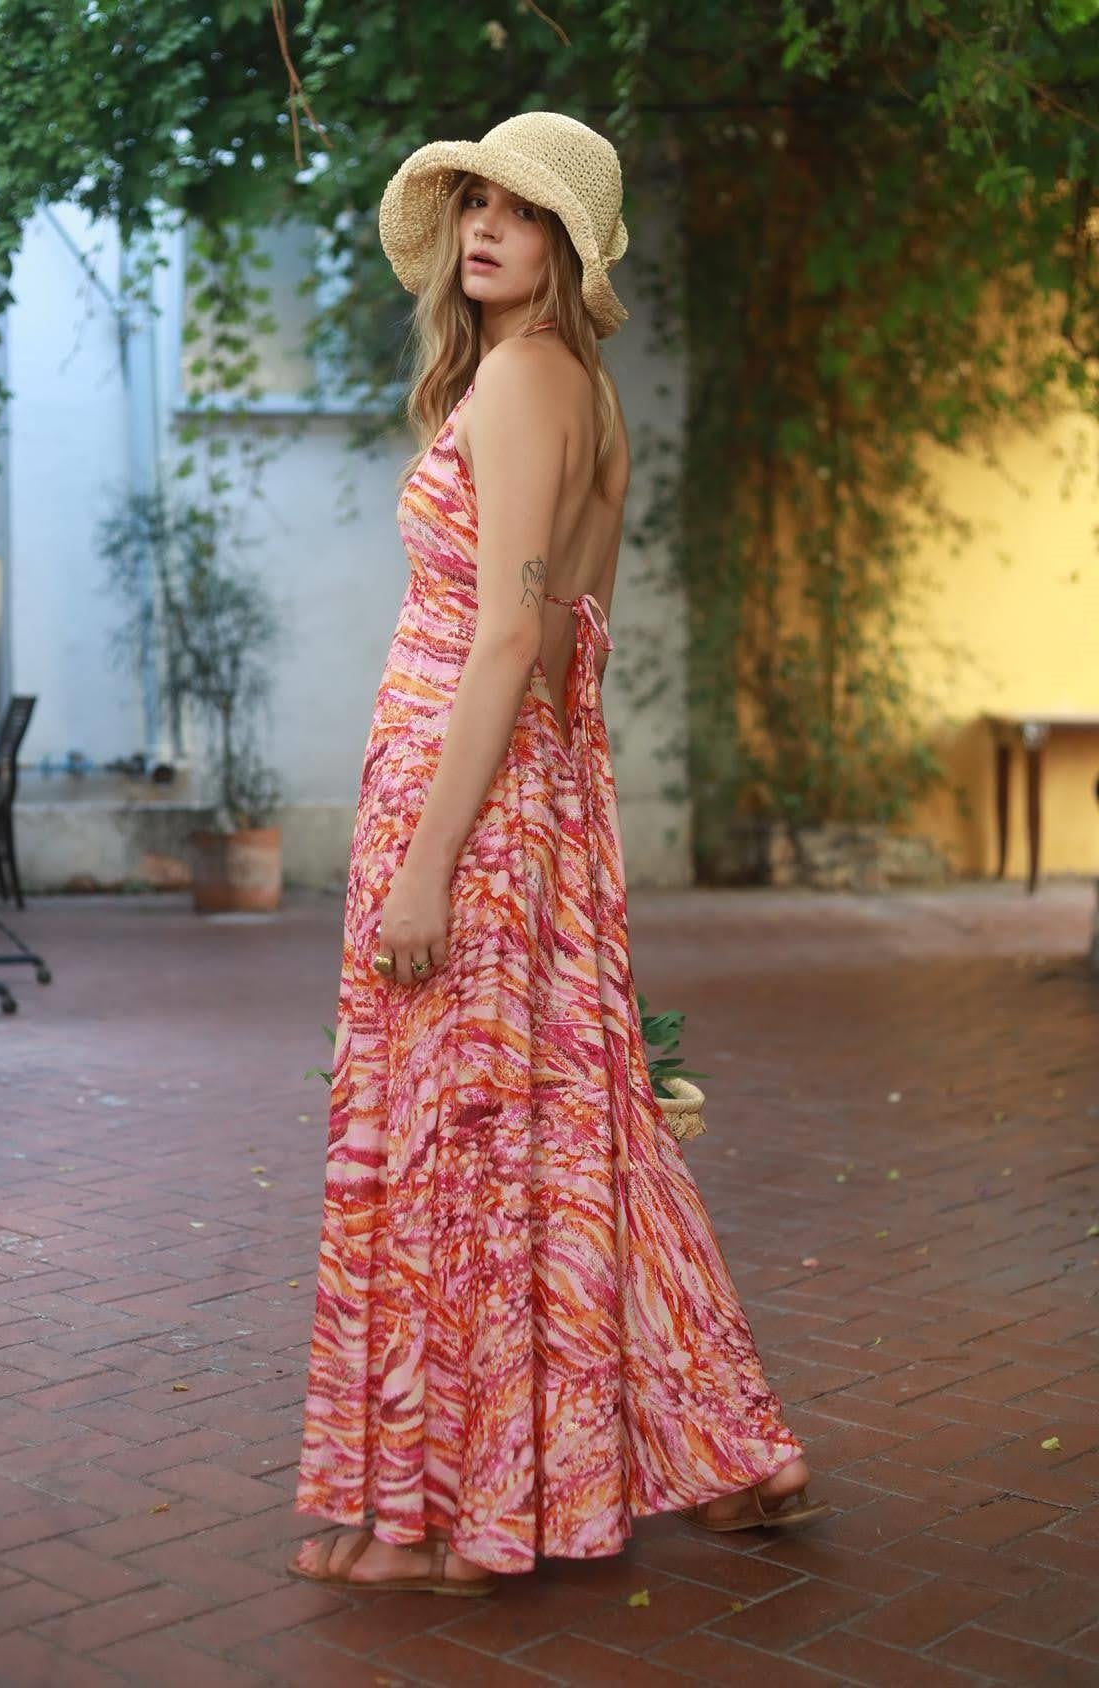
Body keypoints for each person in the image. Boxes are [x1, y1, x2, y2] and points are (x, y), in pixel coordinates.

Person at [290, 111, 830, 1595]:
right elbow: (572, 644)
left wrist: (427, 864)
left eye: (520, 213)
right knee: (571, 1135)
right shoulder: (578, 390)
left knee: (463, 1144)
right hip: (529, 803)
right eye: (474, 202)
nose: (484, 228)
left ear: (569, 249)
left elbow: (514, 634)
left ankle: (460, 1523)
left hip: (471, 812)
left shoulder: (527, 378)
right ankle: (735, 1447)